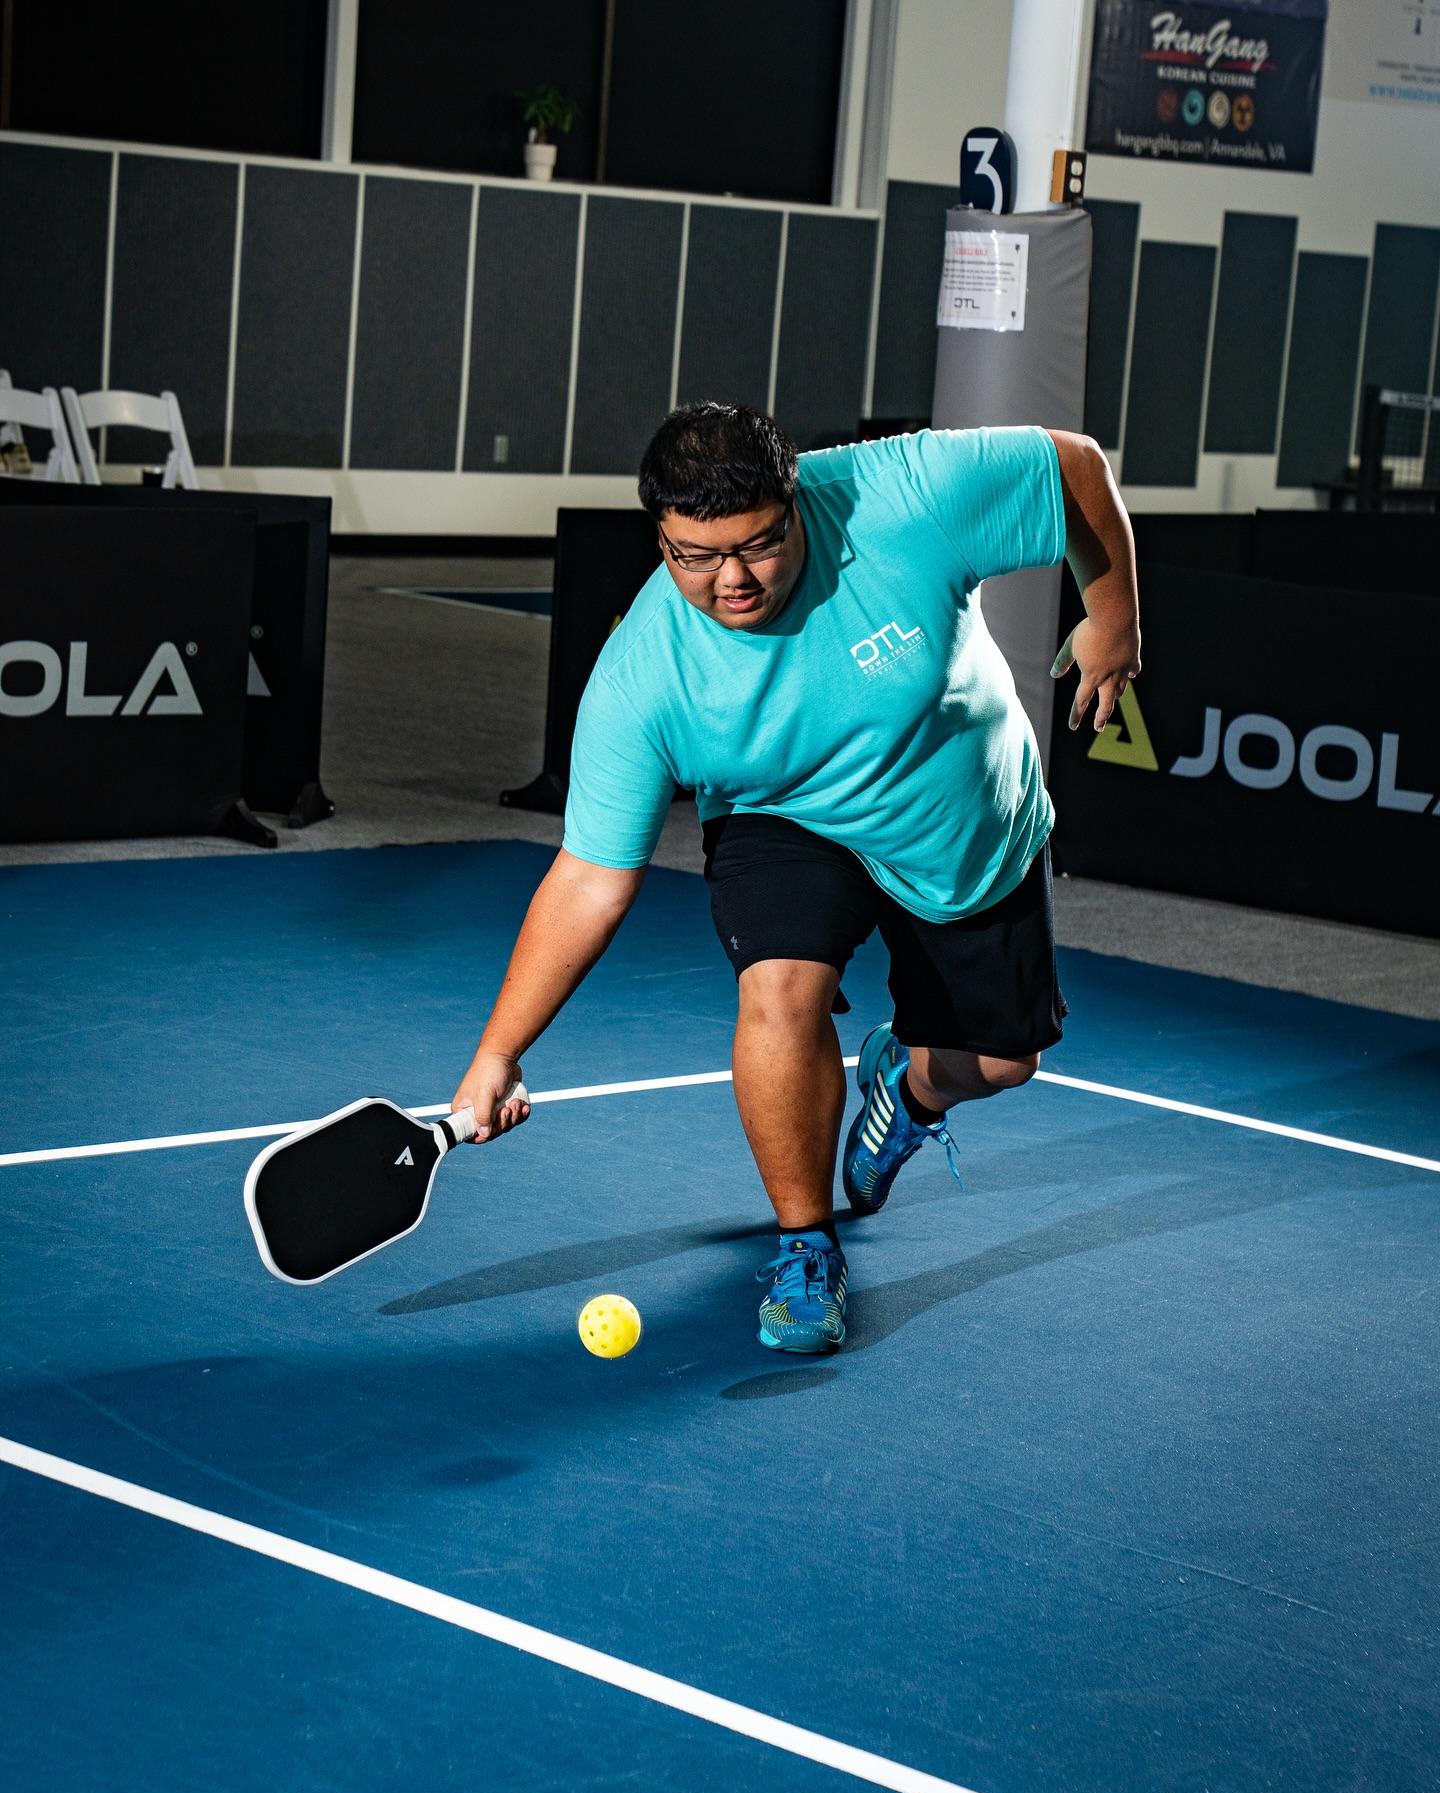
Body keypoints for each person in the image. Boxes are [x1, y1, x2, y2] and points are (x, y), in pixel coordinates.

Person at [452, 403, 1140, 1353]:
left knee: (999, 1063)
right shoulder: (642, 678)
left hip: (958, 813)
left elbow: (1073, 466)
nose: (731, 580)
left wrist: (1113, 617)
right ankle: (806, 1246)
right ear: (661, 538)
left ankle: (908, 1090)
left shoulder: (900, 497)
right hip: (781, 811)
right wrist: (500, 1051)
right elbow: (589, 882)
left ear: (797, 501)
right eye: (695, 556)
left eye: (759, 545)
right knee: (778, 992)